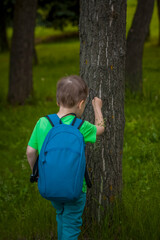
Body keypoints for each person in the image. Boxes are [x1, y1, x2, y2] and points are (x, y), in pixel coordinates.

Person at [26, 75, 104, 240]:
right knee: (71, 226)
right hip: (75, 188)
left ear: (57, 101)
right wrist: (97, 107)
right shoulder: (81, 126)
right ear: (81, 103)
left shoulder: (42, 122)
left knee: (61, 214)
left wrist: (36, 173)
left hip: (50, 185)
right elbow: (100, 129)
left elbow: (30, 152)